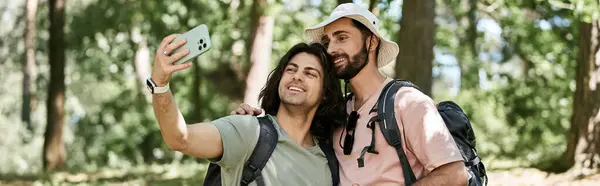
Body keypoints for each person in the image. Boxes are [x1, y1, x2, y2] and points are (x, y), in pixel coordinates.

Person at [232, 3, 468, 186]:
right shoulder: (336, 111)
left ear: (372, 42)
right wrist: (258, 119)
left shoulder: (407, 102)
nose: (331, 48)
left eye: (342, 38)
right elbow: (292, 132)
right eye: (328, 40)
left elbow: (455, 175)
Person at [148, 36, 345, 185]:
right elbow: (179, 138)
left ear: (325, 93)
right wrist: (160, 85)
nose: (297, 77)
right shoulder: (249, 131)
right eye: (291, 70)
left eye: (310, 73)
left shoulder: (327, 161)